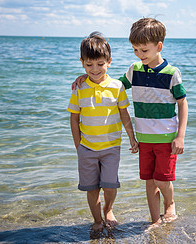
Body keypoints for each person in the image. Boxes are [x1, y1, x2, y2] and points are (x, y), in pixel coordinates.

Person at [73, 19, 188, 226]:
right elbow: (111, 84)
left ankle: (170, 204)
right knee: (149, 180)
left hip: (166, 137)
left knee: (162, 179)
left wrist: (180, 136)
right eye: (135, 49)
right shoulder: (134, 70)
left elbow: (183, 104)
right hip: (144, 138)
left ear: (158, 46)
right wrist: (88, 74)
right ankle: (154, 221)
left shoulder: (172, 73)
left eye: (143, 50)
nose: (139, 54)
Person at [67, 32, 139, 233]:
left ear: (109, 61)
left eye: (100, 64)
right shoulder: (79, 87)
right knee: (91, 188)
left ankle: (108, 210)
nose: (94, 69)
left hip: (111, 147)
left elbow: (124, 115)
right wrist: (78, 145)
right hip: (87, 147)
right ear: (82, 63)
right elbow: (74, 118)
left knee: (110, 186)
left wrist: (132, 137)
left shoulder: (117, 87)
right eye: (89, 65)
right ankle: (97, 219)